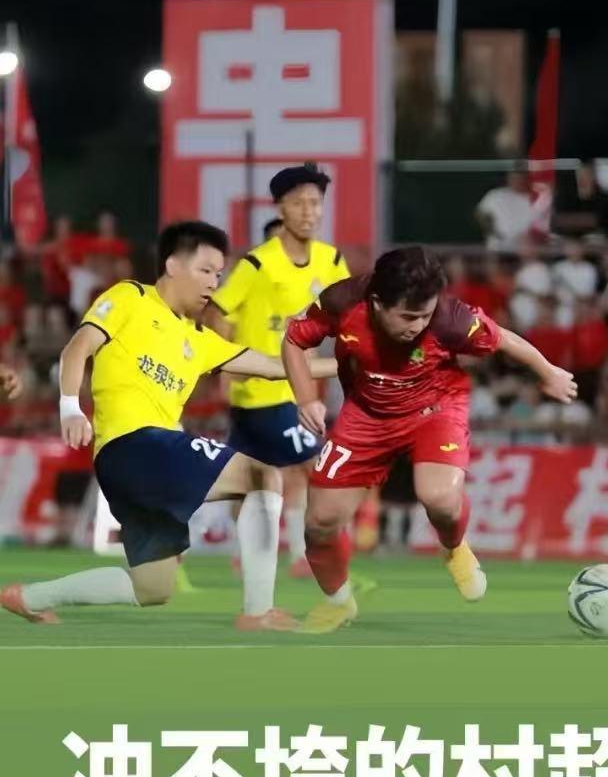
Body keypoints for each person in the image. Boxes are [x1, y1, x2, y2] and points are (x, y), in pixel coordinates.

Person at [0, 221, 337, 631]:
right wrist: (70, 407)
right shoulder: (130, 297)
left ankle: (30, 597)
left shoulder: (200, 338)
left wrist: (348, 364)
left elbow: (272, 366)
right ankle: (258, 611)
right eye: (206, 270)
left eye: (219, 273)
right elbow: (78, 347)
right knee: (263, 475)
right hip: (136, 444)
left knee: (153, 587)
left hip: (132, 467)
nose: (214, 282)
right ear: (173, 265)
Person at [281, 246, 576, 633]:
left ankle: (453, 548)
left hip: (435, 408)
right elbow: (293, 341)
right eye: (408, 316)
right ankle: (338, 603)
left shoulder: (450, 319)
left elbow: (503, 338)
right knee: (319, 522)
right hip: (366, 415)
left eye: (424, 315)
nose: (417, 325)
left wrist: (549, 372)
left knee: (440, 500)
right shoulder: (342, 301)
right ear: (376, 303)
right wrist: (306, 399)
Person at [205, 164, 350, 577]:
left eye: (315, 203)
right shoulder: (257, 264)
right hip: (261, 390)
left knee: (251, 476)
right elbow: (218, 312)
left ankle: (270, 552)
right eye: (299, 203)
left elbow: (351, 310)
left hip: (295, 389)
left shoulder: (331, 260)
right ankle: (312, 556)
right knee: (315, 466)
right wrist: (228, 364)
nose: (309, 211)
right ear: (281, 208)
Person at [474, 169, 533, 250]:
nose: (518, 181)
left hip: (528, 250)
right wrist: (492, 231)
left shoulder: (536, 198)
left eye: (521, 177)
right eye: (514, 177)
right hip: (498, 247)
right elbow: (480, 213)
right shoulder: (495, 195)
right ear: (508, 178)